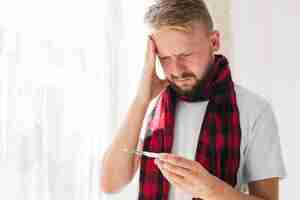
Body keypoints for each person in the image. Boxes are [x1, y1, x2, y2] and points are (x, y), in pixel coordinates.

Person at [100, 0, 287, 199]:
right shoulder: (151, 106)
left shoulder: (254, 110)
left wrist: (211, 190)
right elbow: (111, 183)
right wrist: (141, 100)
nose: (177, 70)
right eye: (165, 58)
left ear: (214, 42)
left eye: (185, 55)